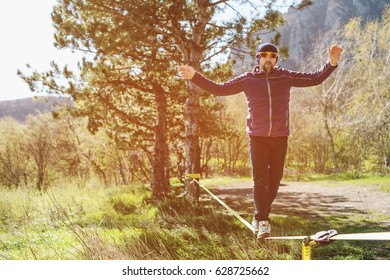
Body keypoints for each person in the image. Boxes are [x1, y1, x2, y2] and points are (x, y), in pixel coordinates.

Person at [178, 43, 343, 239]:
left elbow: (315, 78)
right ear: (258, 58)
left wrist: (331, 63)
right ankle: (263, 221)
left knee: (274, 181)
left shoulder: (285, 76)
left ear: (275, 59)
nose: (268, 58)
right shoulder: (248, 79)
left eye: (272, 55)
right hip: (257, 137)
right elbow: (219, 89)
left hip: (280, 137)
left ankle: (259, 215)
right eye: (264, 55)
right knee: (260, 181)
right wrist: (194, 76)